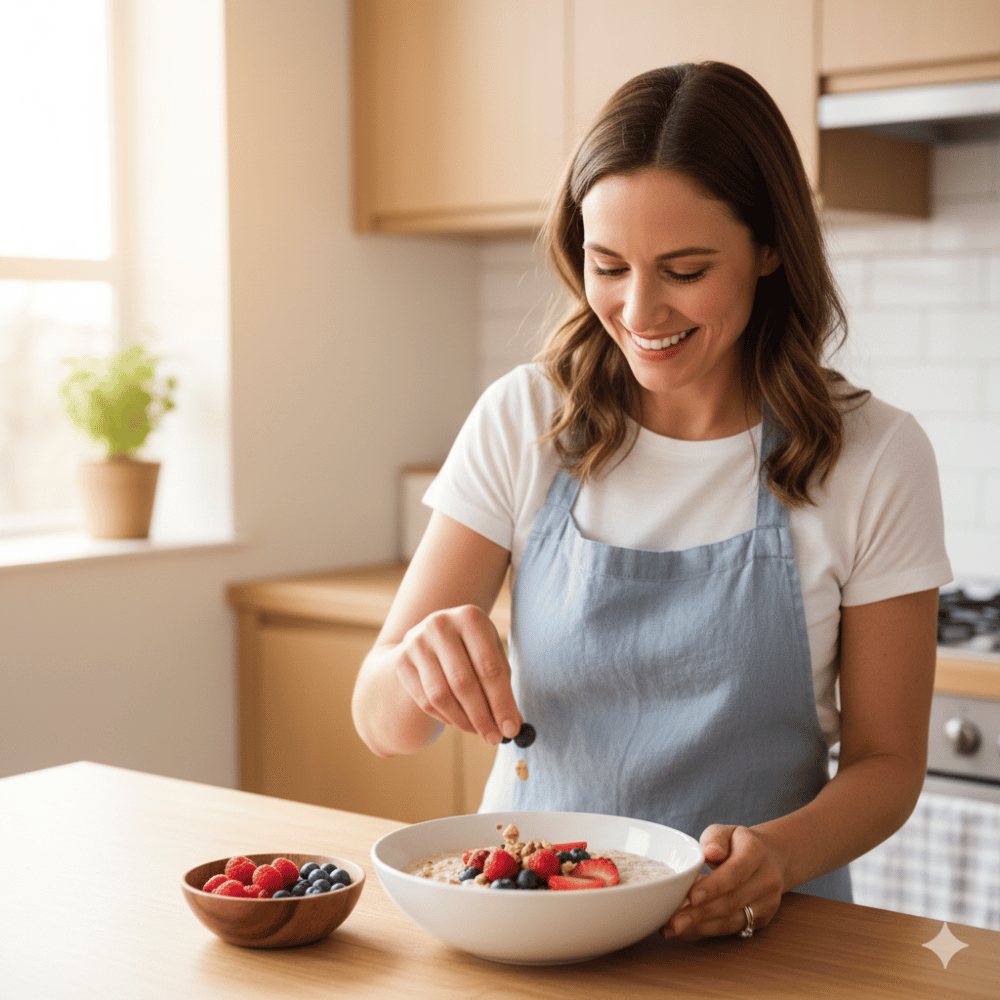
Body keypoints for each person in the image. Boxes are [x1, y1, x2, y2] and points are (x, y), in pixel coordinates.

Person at [351, 62, 951, 941]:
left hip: (764, 938)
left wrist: (777, 856)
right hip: (532, 926)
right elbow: (382, 724)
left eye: (685, 269)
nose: (638, 310)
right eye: (608, 265)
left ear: (770, 247)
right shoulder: (527, 420)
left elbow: (888, 764)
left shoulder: (875, 455)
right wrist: (416, 665)